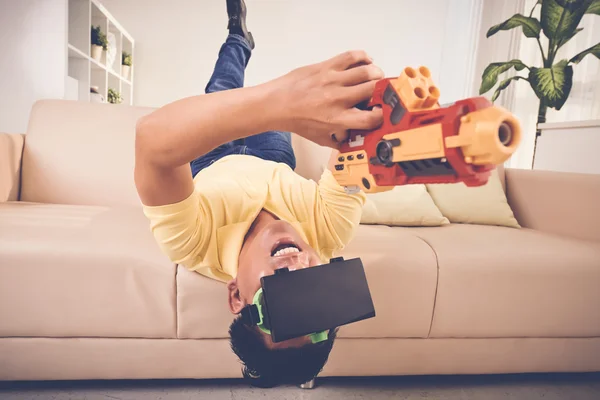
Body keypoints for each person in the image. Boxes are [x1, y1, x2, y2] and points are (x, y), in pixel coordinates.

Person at [134, 0, 384, 388]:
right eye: (313, 296)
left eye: (274, 302)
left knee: (222, 87)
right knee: (262, 106)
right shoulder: (331, 231)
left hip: (207, 159)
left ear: (236, 296)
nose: (296, 269)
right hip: (273, 157)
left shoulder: (191, 243)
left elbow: (151, 142)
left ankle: (239, 38)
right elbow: (358, 145)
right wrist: (373, 112)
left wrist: (281, 101)